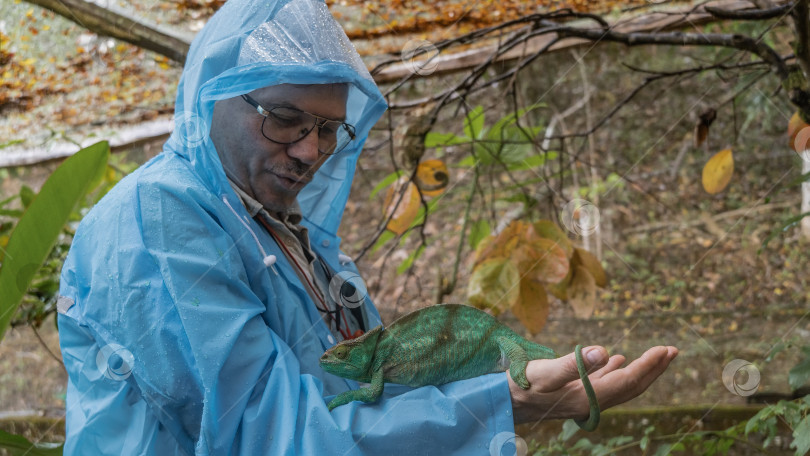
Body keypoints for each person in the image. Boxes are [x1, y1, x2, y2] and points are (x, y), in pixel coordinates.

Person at [55, 0, 678, 454]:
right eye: (283, 117)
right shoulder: (158, 218)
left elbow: (373, 400)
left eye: (328, 129)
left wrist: (510, 399)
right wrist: (500, 403)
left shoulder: (282, 231)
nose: (309, 150)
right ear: (211, 95)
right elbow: (259, 434)